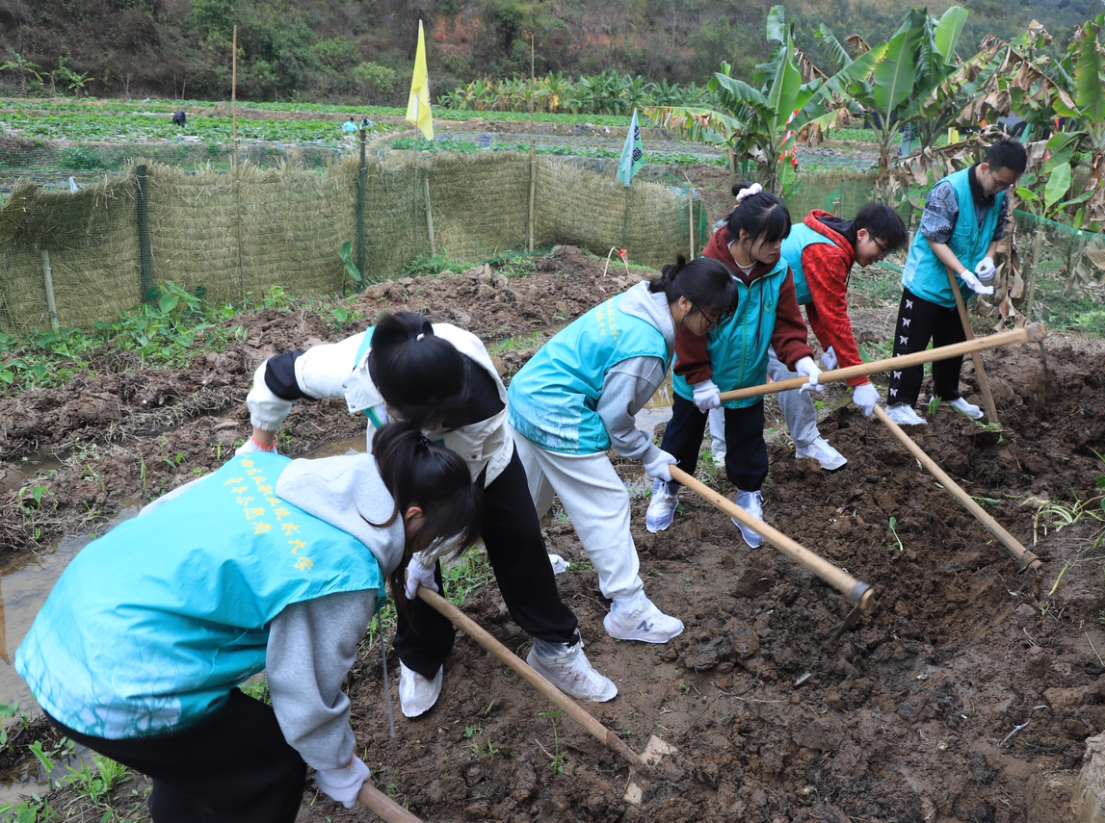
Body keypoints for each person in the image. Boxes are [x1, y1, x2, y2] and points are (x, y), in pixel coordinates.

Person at [15, 423, 482, 822]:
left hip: (67, 622)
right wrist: (339, 768)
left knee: (203, 758)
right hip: (116, 682)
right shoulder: (340, 570)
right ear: (413, 515)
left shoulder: (271, 470)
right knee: (271, 763)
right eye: (432, 539)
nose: (425, 549)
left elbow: (156, 513)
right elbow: (304, 695)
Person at [245, 312, 616, 720]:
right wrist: (261, 443)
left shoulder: (480, 401)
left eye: (443, 417)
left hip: (482, 463)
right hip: (399, 468)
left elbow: (456, 500)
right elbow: (276, 376)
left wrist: (428, 553)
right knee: (405, 564)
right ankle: (422, 658)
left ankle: (555, 650)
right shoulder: (347, 366)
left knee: (520, 541)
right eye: (428, 419)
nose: (437, 424)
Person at [508, 256, 738, 642]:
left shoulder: (641, 300)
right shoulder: (646, 348)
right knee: (608, 502)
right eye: (711, 319)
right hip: (556, 409)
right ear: (685, 303)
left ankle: (519, 563)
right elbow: (615, 423)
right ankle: (629, 608)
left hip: (528, 392)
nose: (710, 329)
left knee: (528, 494)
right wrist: (651, 457)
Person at [646, 182, 817, 549]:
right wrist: (700, 379)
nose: (777, 249)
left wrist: (800, 358)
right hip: (699, 379)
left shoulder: (779, 273)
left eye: (781, 241)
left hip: (746, 378)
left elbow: (787, 324)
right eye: (771, 241)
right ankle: (669, 487)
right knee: (682, 438)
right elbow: (690, 329)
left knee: (747, 442)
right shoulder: (708, 269)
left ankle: (748, 496)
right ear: (744, 235)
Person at [885, 139, 1027, 425]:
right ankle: (899, 403)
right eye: (999, 182)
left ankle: (947, 394)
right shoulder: (949, 190)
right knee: (912, 344)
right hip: (928, 284)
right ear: (986, 168)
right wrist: (964, 272)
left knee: (953, 344)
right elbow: (936, 239)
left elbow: (997, 233)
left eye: (1007, 186)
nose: (1001, 190)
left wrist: (987, 259)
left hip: (961, 288)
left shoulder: (1000, 196)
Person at [762, 203, 908, 468]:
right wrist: (860, 381)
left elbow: (818, 303)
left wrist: (831, 348)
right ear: (862, 234)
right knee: (790, 370)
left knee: (736, 371)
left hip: (769, 302)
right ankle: (806, 444)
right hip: (756, 303)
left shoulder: (834, 240)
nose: (882, 257)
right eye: (882, 248)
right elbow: (835, 316)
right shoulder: (828, 251)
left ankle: (720, 447)